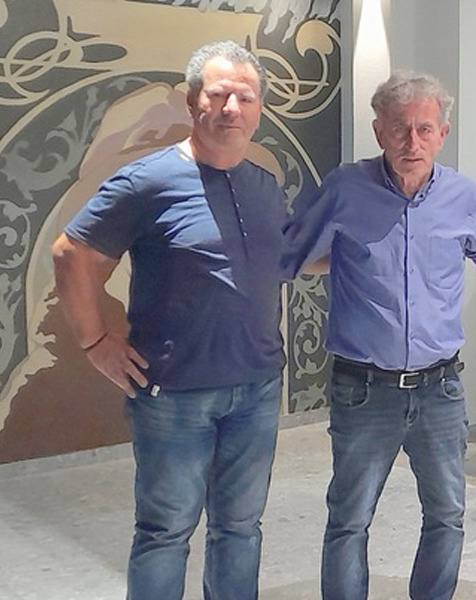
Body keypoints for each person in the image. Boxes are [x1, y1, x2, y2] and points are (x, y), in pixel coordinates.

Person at [281, 71, 476, 600]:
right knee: (349, 519)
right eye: (400, 128)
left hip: (440, 390)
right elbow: (291, 254)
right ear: (379, 131)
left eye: (425, 129)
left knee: (447, 515)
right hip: (364, 390)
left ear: (442, 134)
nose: (412, 141)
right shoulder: (345, 189)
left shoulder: (463, 197)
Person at [52, 41, 287, 600]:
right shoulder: (147, 181)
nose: (231, 108)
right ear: (192, 101)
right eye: (219, 95)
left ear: (258, 110)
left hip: (256, 389)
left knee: (241, 527)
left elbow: (286, 256)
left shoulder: (264, 185)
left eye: (245, 97)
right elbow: (71, 254)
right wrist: (95, 342)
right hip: (173, 394)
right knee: (165, 532)